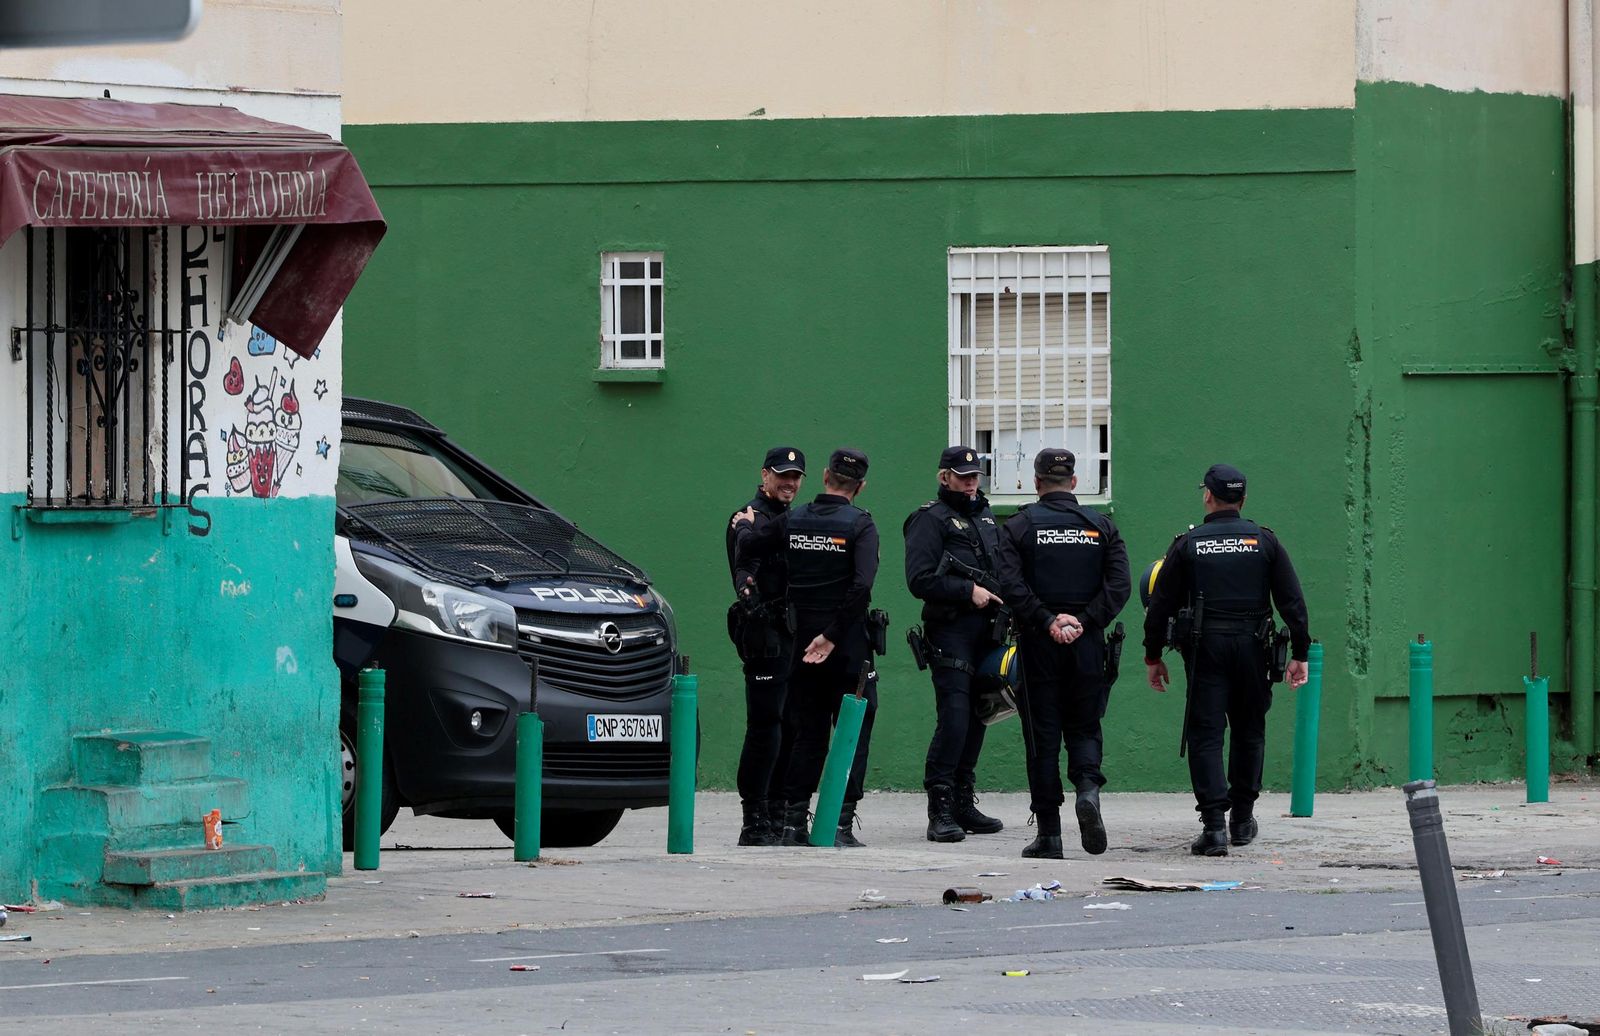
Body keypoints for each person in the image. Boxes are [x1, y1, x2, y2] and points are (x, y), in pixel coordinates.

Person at [1142, 464, 1311, 856]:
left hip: (1205, 649)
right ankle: (1242, 821)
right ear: (1243, 499)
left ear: (1208, 496)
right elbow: (1292, 602)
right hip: (1254, 646)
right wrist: (1300, 653)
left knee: (1206, 733)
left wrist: (1153, 655)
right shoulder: (1265, 541)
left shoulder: (1188, 544)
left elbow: (1160, 607)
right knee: (1249, 730)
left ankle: (1215, 827)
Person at [734, 448, 881, 848]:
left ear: (824, 477)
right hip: (846, 645)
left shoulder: (793, 519)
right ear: (860, 487)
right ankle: (839, 825)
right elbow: (861, 586)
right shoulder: (861, 525)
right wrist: (833, 635)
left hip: (801, 644)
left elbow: (749, 547)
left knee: (807, 733)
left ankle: (793, 823)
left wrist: (745, 527)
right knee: (853, 731)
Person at [994, 449, 1130, 859]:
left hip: (1038, 643)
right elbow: (1119, 586)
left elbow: (1009, 583)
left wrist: (1047, 620)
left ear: (1037, 483)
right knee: (1085, 727)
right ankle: (1087, 790)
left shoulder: (1019, 526)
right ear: (1074, 482)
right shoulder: (1101, 527)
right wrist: (1083, 622)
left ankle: (1050, 836)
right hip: (1086, 644)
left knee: (1042, 737)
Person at [904, 445, 1007, 842]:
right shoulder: (929, 519)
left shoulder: (985, 515)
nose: (970, 483)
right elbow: (919, 579)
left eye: (975, 476)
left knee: (981, 714)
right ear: (944, 476)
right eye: (963, 477)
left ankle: (964, 801)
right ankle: (941, 809)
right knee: (955, 716)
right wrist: (968, 591)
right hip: (951, 631)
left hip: (988, 631)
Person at [725, 446, 805, 846]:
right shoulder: (747, 517)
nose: (789, 483)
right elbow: (744, 572)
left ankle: (778, 812)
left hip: (795, 634)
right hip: (765, 633)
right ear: (765, 475)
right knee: (765, 726)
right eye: (782, 475)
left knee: (792, 724)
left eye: (795, 476)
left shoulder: (798, 520)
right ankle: (754, 818)